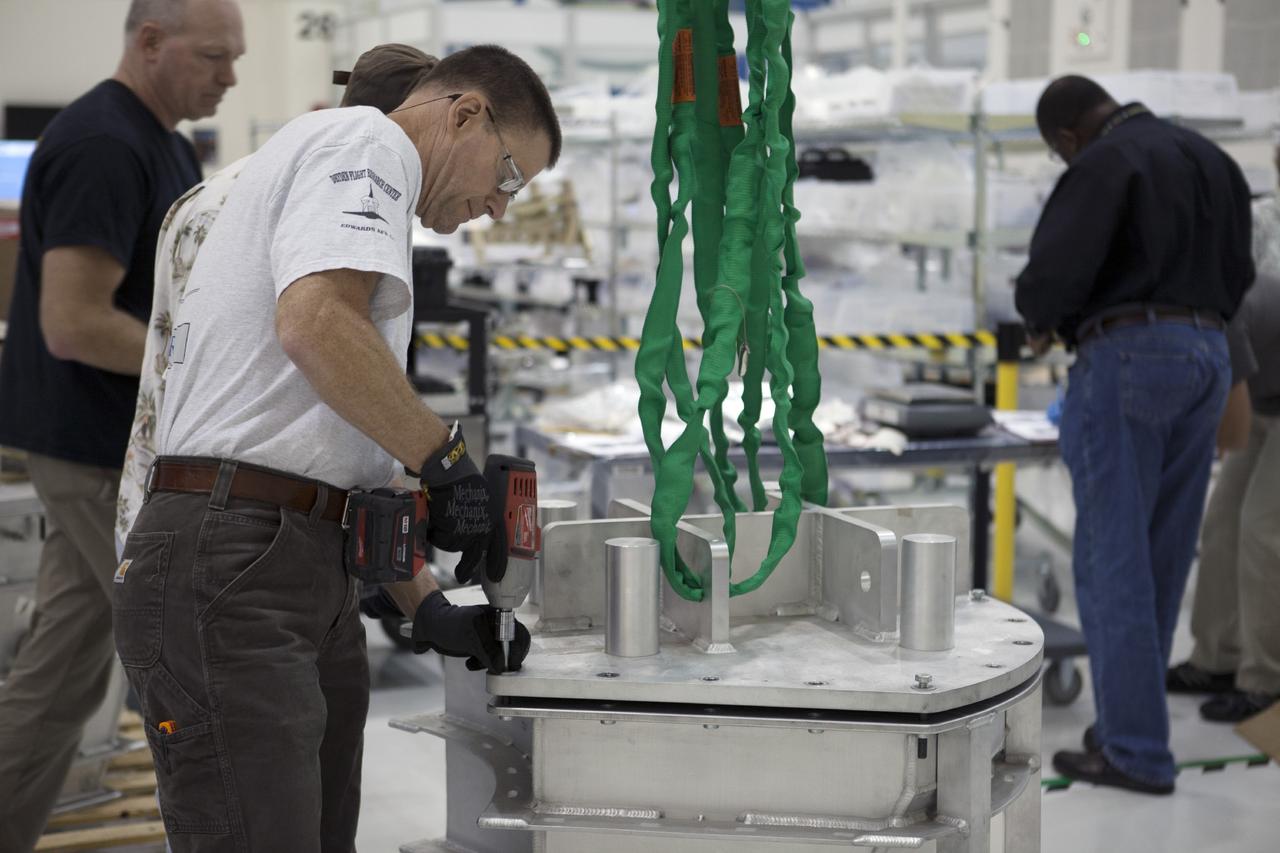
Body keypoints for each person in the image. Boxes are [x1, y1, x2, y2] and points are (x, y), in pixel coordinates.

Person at [115, 44, 559, 851]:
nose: (499, 206)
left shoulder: (332, 184)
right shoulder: (367, 144)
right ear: (464, 113)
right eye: (508, 175)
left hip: (291, 565)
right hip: (236, 564)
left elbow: (322, 452)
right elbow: (314, 326)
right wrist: (446, 459)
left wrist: (428, 609)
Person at [0, 1, 243, 848]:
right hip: (94, 450)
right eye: (214, 57)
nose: (231, 77)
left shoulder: (163, 140)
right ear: (150, 42)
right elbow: (73, 321)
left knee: (62, 674)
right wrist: (198, 365)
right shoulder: (105, 143)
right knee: (184, 648)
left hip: (106, 445)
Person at [1014, 75, 1254, 794]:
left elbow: (1053, 273)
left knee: (1111, 555)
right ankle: (1128, 717)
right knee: (1162, 553)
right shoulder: (1216, 160)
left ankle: (1135, 751)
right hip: (1210, 356)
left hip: (1128, 356)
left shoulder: (1103, 163)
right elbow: (1239, 270)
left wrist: (1039, 317)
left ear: (1067, 137)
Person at [116, 43, 440, 553]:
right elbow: (313, 343)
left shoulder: (236, 185)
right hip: (230, 523)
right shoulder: (334, 187)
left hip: (175, 505)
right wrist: (444, 461)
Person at [1167, 162, 1280, 721]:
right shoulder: (1189, 292)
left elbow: (1222, 430)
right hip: (1265, 395)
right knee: (1222, 522)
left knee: (1263, 530)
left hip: (1265, 398)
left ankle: (1266, 681)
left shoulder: (1220, 305)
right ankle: (1216, 657)